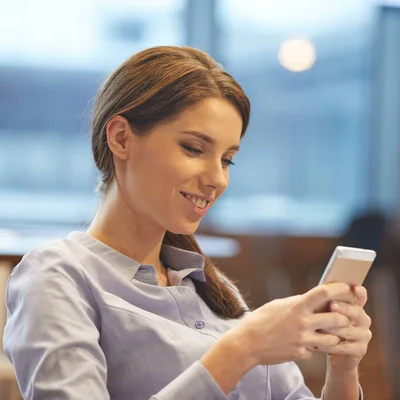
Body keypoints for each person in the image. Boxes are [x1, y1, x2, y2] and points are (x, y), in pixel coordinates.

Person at [3, 46, 372, 400]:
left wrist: (342, 370)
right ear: (120, 138)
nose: (219, 179)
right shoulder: (57, 276)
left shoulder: (212, 288)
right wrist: (241, 349)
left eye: (227, 159)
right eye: (194, 149)